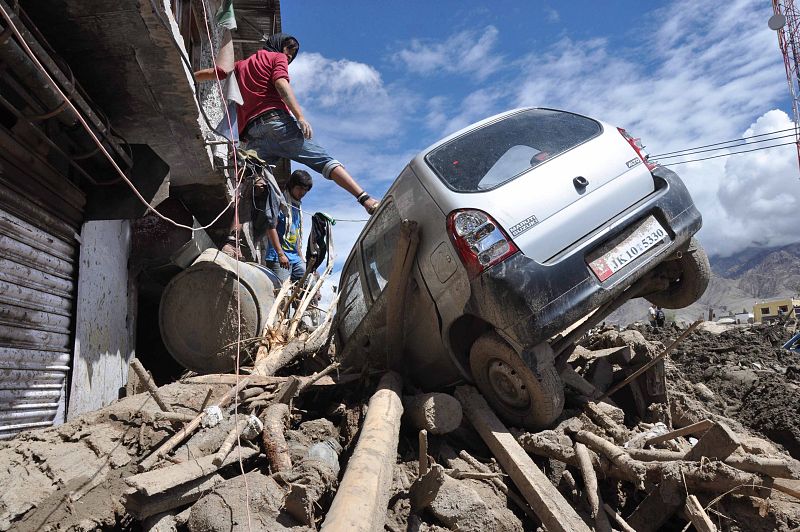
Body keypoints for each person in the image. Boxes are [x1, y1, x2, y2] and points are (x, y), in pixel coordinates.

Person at [194, 33, 379, 237]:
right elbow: (281, 83)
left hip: (254, 134)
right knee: (325, 161)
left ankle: (233, 239)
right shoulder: (276, 58)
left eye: (292, 55)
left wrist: (193, 73)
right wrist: (300, 116)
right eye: (289, 51)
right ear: (279, 46)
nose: (289, 57)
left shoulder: (241, 65)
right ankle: (366, 200)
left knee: (246, 188)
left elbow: (218, 72)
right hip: (278, 124)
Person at [265, 169, 311, 283]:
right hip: (278, 257)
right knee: (282, 292)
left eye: (305, 190)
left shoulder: (297, 207)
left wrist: (301, 259)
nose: (303, 193)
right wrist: (280, 254)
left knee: (310, 283)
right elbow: (270, 227)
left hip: (295, 258)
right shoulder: (280, 202)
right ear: (291, 186)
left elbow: (297, 238)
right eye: (299, 188)